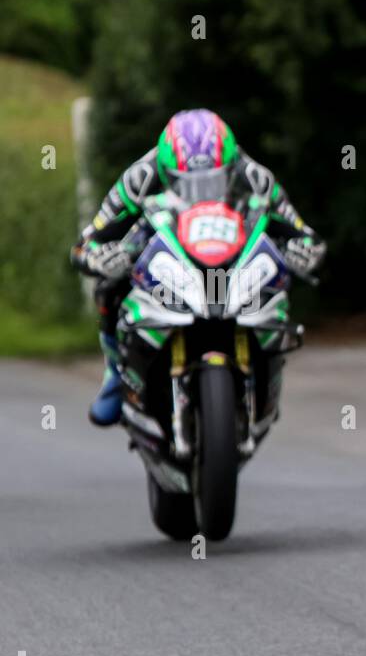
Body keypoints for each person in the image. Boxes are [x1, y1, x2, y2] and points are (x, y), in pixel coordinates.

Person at [70, 108, 325, 426]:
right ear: (167, 171)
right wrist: (99, 256)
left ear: (230, 168)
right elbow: (88, 240)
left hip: (230, 257)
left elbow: (302, 231)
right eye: (186, 184)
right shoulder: (141, 176)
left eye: (213, 181)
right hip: (163, 251)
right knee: (107, 285)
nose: (201, 192)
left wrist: (303, 251)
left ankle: (265, 367)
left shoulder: (253, 176)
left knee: (278, 270)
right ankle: (115, 373)